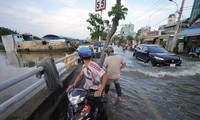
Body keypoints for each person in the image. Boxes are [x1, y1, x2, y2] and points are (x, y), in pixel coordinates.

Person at [66, 46, 108, 120]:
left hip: (95, 90)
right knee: (79, 105)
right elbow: (80, 75)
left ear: (81, 57)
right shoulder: (84, 65)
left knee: (101, 110)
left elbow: (105, 75)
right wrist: (73, 85)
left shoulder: (93, 66)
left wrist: (100, 91)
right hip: (86, 89)